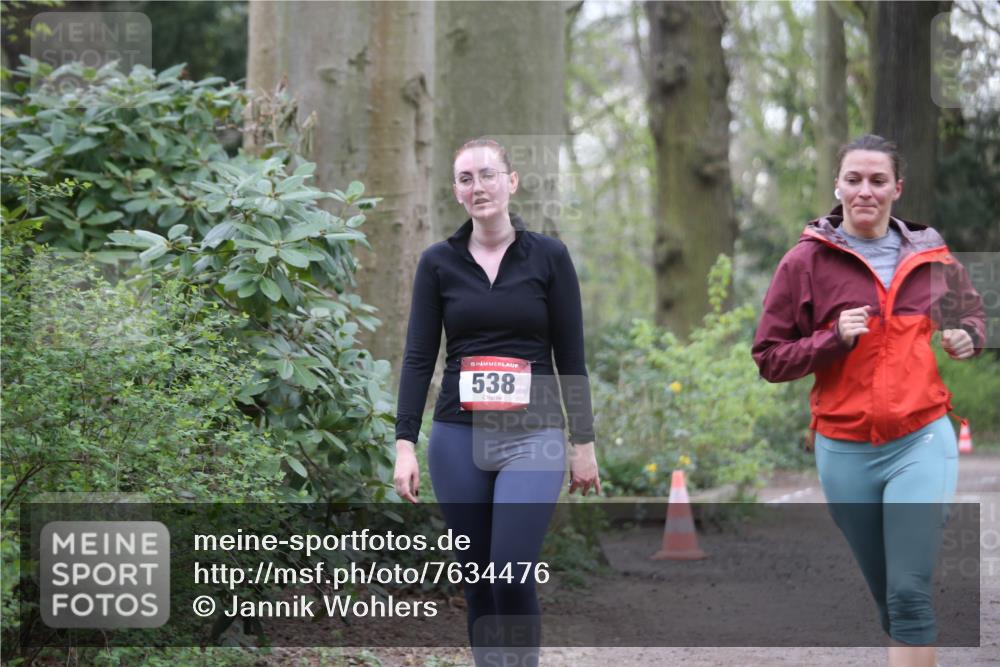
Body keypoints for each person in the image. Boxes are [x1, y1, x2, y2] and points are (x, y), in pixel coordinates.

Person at [752, 134, 985, 667]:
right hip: (844, 450)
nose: (865, 190)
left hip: (921, 439)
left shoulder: (931, 256)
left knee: (909, 591)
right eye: (853, 179)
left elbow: (973, 316)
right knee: (890, 597)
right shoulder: (804, 263)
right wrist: (831, 339)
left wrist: (968, 336)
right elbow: (768, 357)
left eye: (878, 180)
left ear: (896, 188)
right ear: (837, 186)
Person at [393, 138, 600, 667]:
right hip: (457, 435)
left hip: (534, 434)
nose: (477, 186)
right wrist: (404, 445)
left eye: (488, 174)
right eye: (466, 178)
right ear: (457, 192)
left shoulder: (549, 256)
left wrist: (583, 443)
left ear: (511, 182)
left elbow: (570, 357)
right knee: (476, 575)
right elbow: (419, 359)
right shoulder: (437, 263)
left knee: (509, 567)